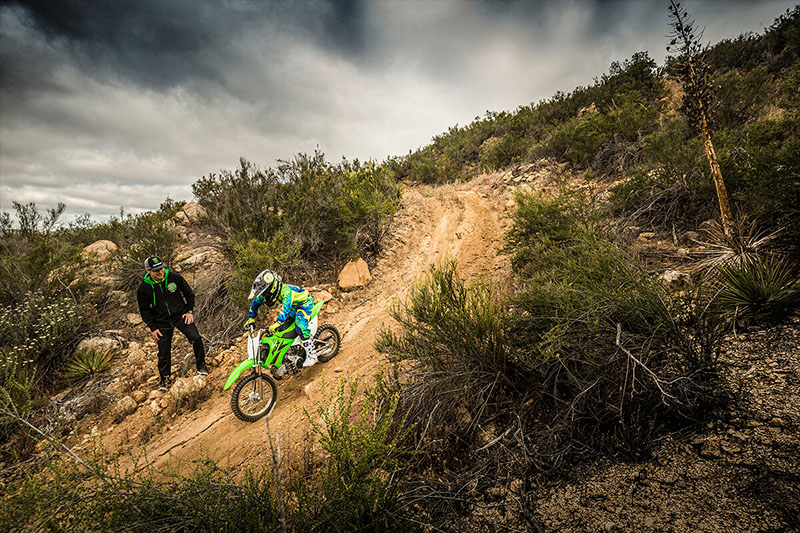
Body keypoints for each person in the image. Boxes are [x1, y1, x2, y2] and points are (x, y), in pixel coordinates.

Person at [137, 256, 208, 391]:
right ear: (148, 270)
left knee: (196, 338)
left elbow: (189, 295)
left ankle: (201, 367)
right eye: (156, 270)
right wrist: (153, 328)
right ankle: (165, 381)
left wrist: (189, 311)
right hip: (161, 322)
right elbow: (144, 311)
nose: (160, 272)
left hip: (180, 315)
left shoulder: (174, 277)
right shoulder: (143, 288)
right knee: (164, 351)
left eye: (161, 269)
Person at [244, 270, 317, 376]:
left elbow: (285, 308)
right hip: (293, 308)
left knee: (300, 326)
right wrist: (251, 318)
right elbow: (255, 302)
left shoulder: (286, 292)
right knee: (282, 331)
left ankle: (311, 353)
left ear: (273, 288)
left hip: (304, 304)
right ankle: (288, 357)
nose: (265, 296)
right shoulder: (267, 294)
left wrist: (277, 322)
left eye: (266, 292)